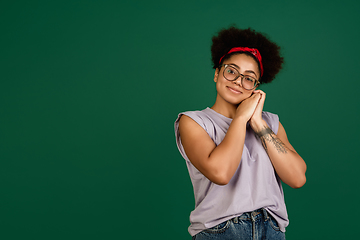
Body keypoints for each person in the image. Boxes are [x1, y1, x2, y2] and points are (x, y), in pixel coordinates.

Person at [174, 26, 307, 240]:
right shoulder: (193, 121)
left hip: (271, 231)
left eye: (248, 77)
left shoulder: (270, 123)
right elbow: (221, 173)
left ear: (256, 86)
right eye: (231, 70)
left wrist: (257, 122)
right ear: (217, 73)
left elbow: (297, 178)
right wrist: (241, 118)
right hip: (221, 231)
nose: (238, 80)